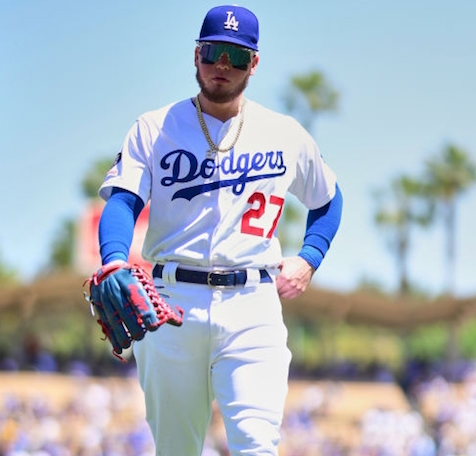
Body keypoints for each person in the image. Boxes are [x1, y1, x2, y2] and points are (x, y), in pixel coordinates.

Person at [95, 4, 343, 455]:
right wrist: (113, 259)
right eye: (213, 53)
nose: (222, 66)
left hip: (253, 304)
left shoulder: (284, 132)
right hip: (172, 302)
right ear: (195, 56)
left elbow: (328, 199)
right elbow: (123, 201)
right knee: (176, 449)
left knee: (256, 445)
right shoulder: (155, 127)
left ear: (255, 62)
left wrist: (309, 258)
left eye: (236, 55)